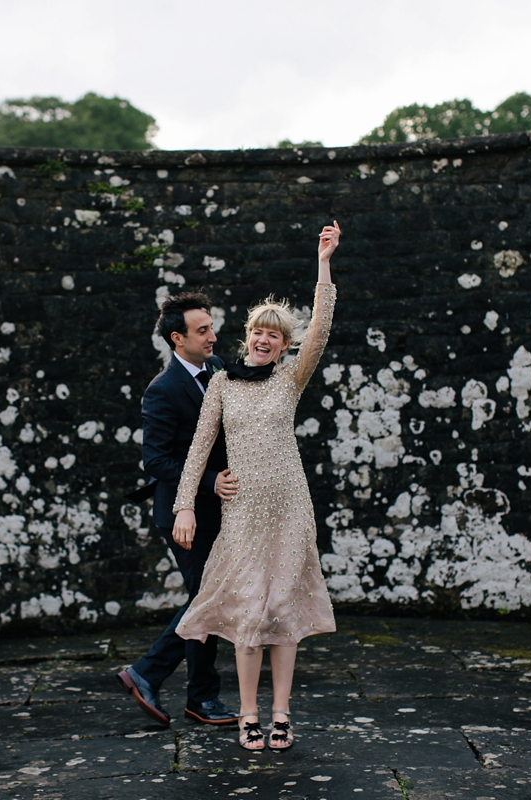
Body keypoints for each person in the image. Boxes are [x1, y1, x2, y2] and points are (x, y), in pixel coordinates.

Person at [171, 221, 341, 751]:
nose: (265, 339)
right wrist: (186, 507)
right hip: (242, 510)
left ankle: (282, 713)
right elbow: (200, 446)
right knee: (249, 611)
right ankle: (248, 713)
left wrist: (324, 265)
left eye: (275, 335)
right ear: (247, 336)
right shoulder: (221, 382)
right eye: (258, 331)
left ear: (284, 345)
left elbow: (322, 328)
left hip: (289, 506)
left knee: (283, 612)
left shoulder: (291, 378)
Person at [115, 291, 240, 727]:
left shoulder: (220, 369)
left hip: (221, 511)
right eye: (202, 330)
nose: (212, 335)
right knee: (208, 599)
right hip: (181, 515)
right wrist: (209, 482)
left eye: (211, 326)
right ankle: (166, 681)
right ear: (176, 338)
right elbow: (157, 460)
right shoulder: (163, 390)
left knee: (208, 598)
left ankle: (184, 691)